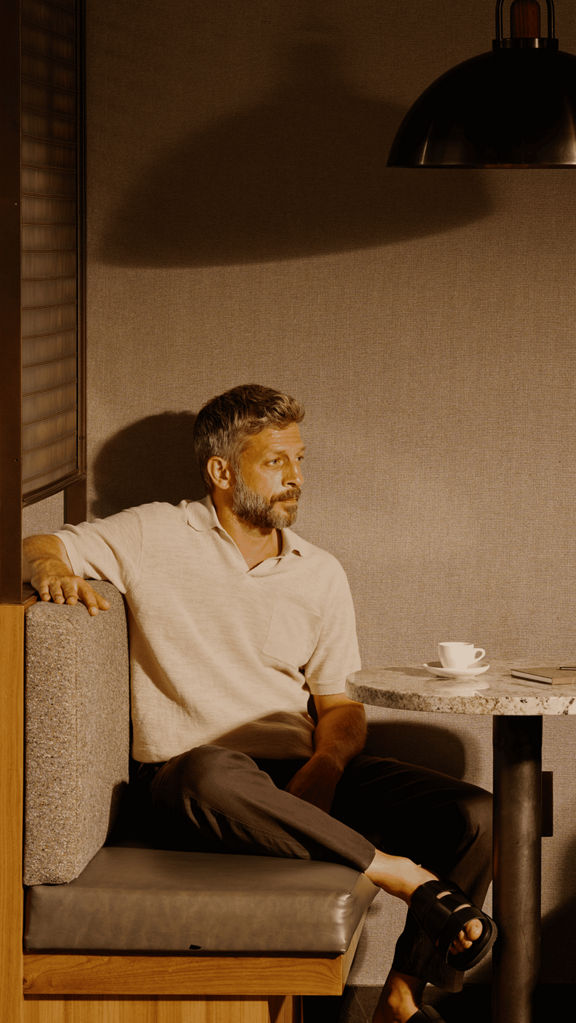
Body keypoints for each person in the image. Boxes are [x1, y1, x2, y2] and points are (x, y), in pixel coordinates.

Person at [23, 384, 495, 1023]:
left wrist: (325, 767)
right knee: (205, 770)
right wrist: (52, 569)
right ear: (221, 471)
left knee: (477, 812)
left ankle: (404, 993)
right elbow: (37, 544)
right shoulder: (153, 531)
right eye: (276, 461)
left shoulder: (318, 570)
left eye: (300, 460)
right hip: (197, 788)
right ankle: (397, 873)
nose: (296, 477)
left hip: (299, 777)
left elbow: (339, 703)